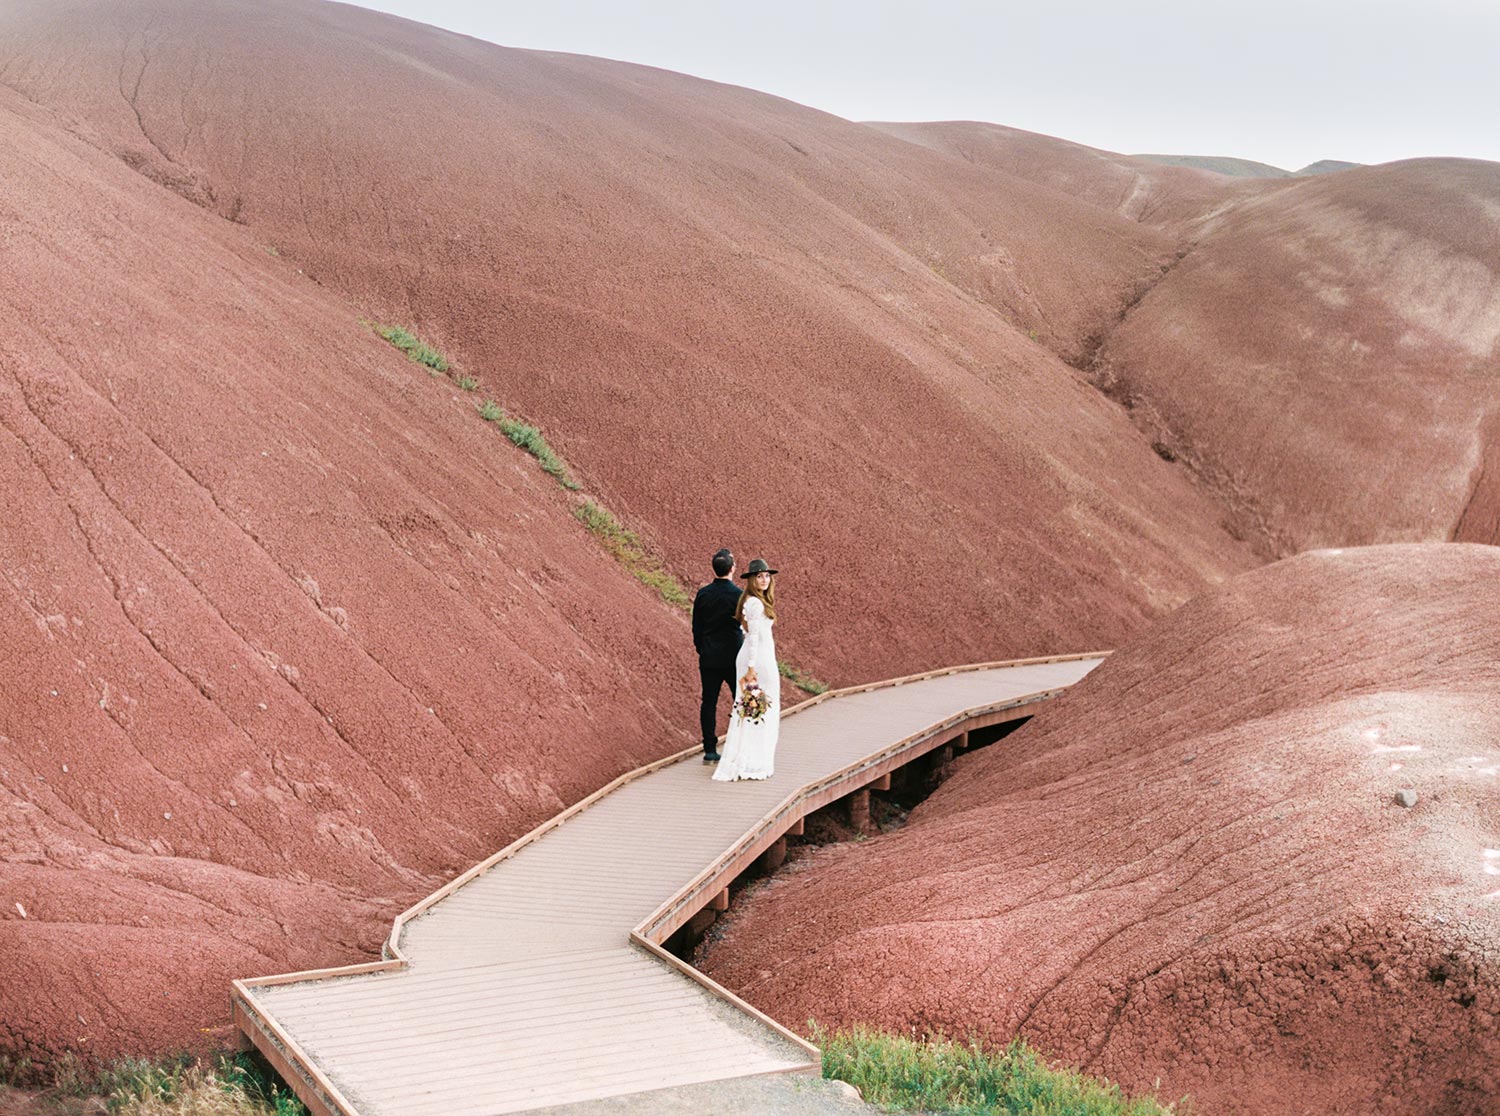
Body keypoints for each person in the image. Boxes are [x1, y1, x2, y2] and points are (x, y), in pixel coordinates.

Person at [713, 558, 780, 782]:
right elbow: (751, 637)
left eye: (767, 576)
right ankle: (751, 761)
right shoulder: (755, 604)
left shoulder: (754, 601)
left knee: (755, 709)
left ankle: (755, 758)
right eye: (759, 576)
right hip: (758, 660)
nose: (764, 579)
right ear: (752, 579)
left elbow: (746, 630)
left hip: (759, 657)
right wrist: (751, 667)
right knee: (757, 709)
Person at [692, 548, 743, 763]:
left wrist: (702, 649)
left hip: (710, 657)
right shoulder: (739, 595)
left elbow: (697, 627)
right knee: (740, 700)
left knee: (709, 702)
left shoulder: (703, 594)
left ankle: (710, 750)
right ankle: (740, 743)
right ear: (733, 568)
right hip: (734, 657)